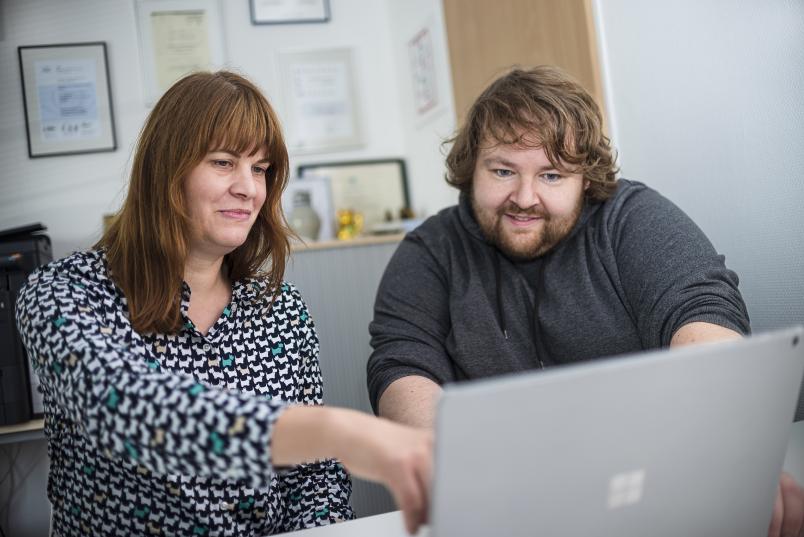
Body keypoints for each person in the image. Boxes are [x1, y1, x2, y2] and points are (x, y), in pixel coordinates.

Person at [366, 66, 803, 537]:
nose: (524, 197)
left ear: (586, 180)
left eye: (551, 174)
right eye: (503, 170)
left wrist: (724, 452)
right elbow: (402, 363)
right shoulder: (430, 252)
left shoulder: (632, 219)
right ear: (472, 168)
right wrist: (459, 471)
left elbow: (700, 311)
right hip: (500, 501)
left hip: (653, 488)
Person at [16, 71, 430, 537]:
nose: (249, 188)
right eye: (223, 162)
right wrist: (336, 430)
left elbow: (314, 477)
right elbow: (127, 406)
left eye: (260, 168)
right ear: (165, 171)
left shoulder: (281, 309)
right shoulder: (64, 292)